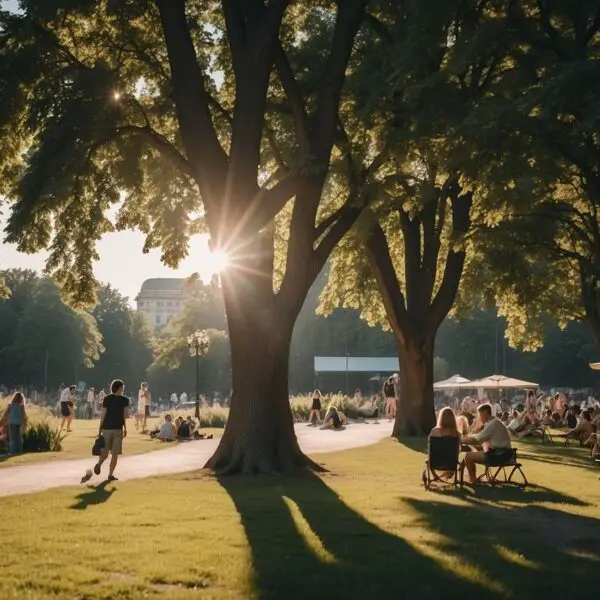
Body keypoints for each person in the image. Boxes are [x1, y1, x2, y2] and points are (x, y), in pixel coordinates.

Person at [83, 379, 129, 483]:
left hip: (107, 428)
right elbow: (125, 416)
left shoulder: (107, 399)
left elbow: (103, 415)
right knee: (115, 453)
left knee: (105, 451)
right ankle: (110, 474)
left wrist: (100, 429)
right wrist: (125, 428)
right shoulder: (125, 400)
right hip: (118, 429)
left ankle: (99, 464)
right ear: (120, 388)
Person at [461, 403, 512, 485]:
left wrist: (462, 441)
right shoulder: (495, 423)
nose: (479, 417)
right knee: (474, 451)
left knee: (468, 456)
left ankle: (473, 481)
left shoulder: (492, 425)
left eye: (479, 415)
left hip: (498, 456)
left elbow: (476, 440)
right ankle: (472, 479)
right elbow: (480, 439)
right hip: (504, 454)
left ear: (484, 414)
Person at [429, 407, 460, 478]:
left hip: (435, 461)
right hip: (451, 463)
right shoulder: (457, 434)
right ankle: (442, 477)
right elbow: (457, 450)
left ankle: (437, 477)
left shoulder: (434, 431)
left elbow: (430, 448)